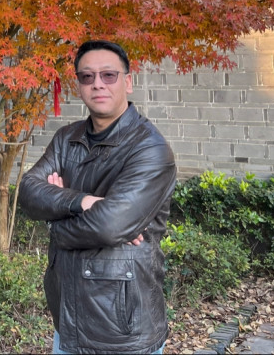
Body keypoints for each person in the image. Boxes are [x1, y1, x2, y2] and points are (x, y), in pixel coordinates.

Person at [18, 40, 176, 355]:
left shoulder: (150, 149)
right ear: (79, 85)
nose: (97, 84)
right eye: (87, 76)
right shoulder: (66, 139)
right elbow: (28, 191)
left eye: (108, 75)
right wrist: (82, 201)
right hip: (68, 325)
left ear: (128, 82)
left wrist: (55, 222)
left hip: (124, 333)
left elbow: (109, 226)